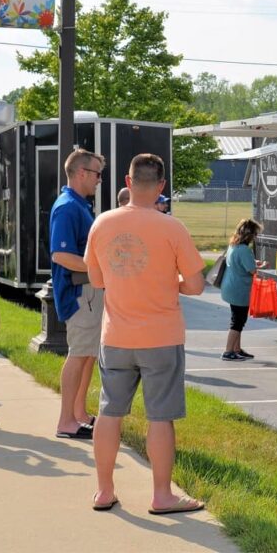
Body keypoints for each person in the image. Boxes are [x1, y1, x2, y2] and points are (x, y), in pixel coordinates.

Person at [85, 153, 206, 514]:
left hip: (116, 335)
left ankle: (104, 491)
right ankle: (162, 495)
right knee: (160, 417)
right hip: (161, 336)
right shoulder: (173, 228)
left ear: (127, 181)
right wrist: (172, 283)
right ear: (162, 187)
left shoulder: (102, 224)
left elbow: (97, 280)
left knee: (110, 412)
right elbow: (197, 285)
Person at [50, 149, 105, 440]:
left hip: (90, 292)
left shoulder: (80, 205)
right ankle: (65, 421)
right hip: (79, 292)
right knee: (78, 354)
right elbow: (60, 254)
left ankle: (79, 413)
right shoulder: (68, 207)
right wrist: (99, 270)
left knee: (87, 356)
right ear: (81, 173)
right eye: (97, 173)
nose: (99, 180)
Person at [219, 219, 266, 361]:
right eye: (255, 234)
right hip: (239, 290)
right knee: (238, 321)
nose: (255, 238)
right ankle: (228, 351)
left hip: (230, 287)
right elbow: (251, 270)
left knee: (238, 319)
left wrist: (253, 263)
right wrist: (261, 265)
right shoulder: (244, 249)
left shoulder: (233, 246)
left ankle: (236, 348)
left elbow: (240, 263)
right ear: (250, 234)